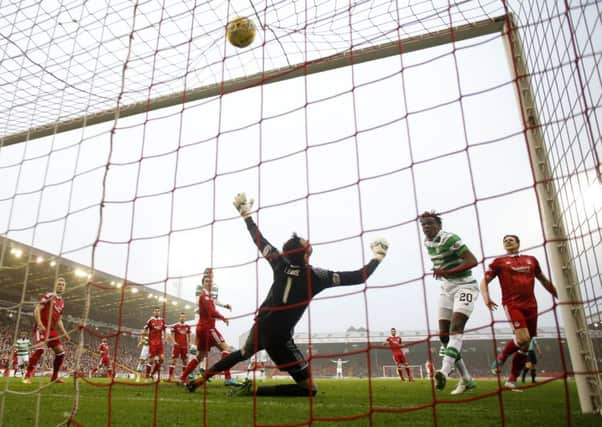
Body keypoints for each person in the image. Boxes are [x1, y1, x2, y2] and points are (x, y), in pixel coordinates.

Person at [186, 192, 388, 396]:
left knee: (243, 353)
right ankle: (253, 392)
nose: (307, 240)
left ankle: (201, 379)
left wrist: (245, 214)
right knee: (310, 390)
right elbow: (358, 277)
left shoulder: (279, 262)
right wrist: (377, 258)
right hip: (280, 339)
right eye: (304, 241)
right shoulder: (317, 277)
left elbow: (258, 239)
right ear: (303, 252)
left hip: (262, 324)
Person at [481, 234, 557, 389]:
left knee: (525, 345)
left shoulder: (531, 260)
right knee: (523, 339)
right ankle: (502, 357)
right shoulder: (499, 262)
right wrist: (486, 297)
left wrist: (557, 294)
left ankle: (512, 380)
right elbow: (484, 281)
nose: (508, 241)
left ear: (518, 243)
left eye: (511, 239)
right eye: (505, 240)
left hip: (531, 305)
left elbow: (543, 280)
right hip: (512, 304)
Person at [419, 211, 477, 395]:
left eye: (430, 223)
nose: (426, 227)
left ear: (439, 225)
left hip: (465, 286)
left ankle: (444, 370)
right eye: (423, 224)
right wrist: (440, 269)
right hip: (447, 288)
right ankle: (467, 379)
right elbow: (444, 263)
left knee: (456, 328)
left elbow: (472, 260)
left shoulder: (450, 239)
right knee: (444, 336)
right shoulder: (427, 242)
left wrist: (448, 272)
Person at [179, 269, 240, 386]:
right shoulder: (204, 295)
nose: (209, 282)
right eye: (207, 280)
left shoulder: (210, 296)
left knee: (200, 356)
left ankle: (182, 378)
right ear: (203, 283)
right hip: (208, 327)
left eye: (211, 280)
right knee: (226, 349)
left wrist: (224, 306)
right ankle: (228, 379)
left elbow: (213, 304)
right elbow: (211, 311)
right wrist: (223, 317)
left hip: (203, 327)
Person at [23, 276, 70, 384]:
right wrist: (39, 324)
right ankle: (27, 376)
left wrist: (65, 334)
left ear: (65, 288)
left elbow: (59, 320)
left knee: (61, 353)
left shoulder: (61, 302)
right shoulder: (49, 296)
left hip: (52, 330)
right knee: (40, 349)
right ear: (55, 285)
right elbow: (36, 310)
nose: (61, 286)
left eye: (63, 285)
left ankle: (54, 377)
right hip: (42, 327)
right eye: (59, 284)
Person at [143, 307, 166, 381]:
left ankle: (152, 374)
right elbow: (145, 328)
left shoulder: (162, 320)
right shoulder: (150, 320)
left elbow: (164, 329)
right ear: (153, 312)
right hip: (152, 343)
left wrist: (164, 338)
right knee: (151, 360)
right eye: (156, 311)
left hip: (160, 343)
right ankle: (146, 377)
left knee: (162, 359)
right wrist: (146, 336)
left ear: (159, 312)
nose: (157, 312)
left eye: (158, 311)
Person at [167, 312, 191, 382]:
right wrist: (174, 341)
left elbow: (188, 336)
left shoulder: (187, 326)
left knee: (185, 361)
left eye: (183, 317)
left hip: (184, 346)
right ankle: (170, 376)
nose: (182, 318)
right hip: (177, 345)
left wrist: (188, 343)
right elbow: (171, 334)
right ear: (179, 317)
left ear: (185, 318)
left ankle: (184, 377)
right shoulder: (175, 325)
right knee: (173, 360)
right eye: (181, 317)